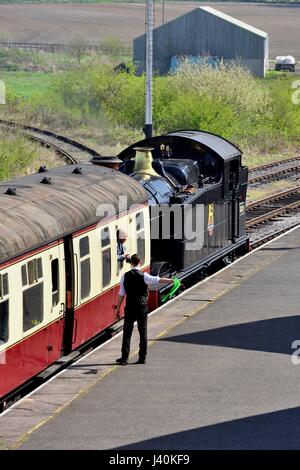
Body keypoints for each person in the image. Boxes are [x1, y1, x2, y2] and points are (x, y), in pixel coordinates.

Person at [115, 254, 172, 365]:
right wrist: (171, 281)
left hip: (130, 306)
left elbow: (121, 294)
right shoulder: (144, 276)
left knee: (127, 332)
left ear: (131, 263)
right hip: (141, 306)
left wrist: (117, 310)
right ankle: (142, 358)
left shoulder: (125, 276)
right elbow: (158, 280)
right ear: (140, 262)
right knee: (143, 331)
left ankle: (124, 358)